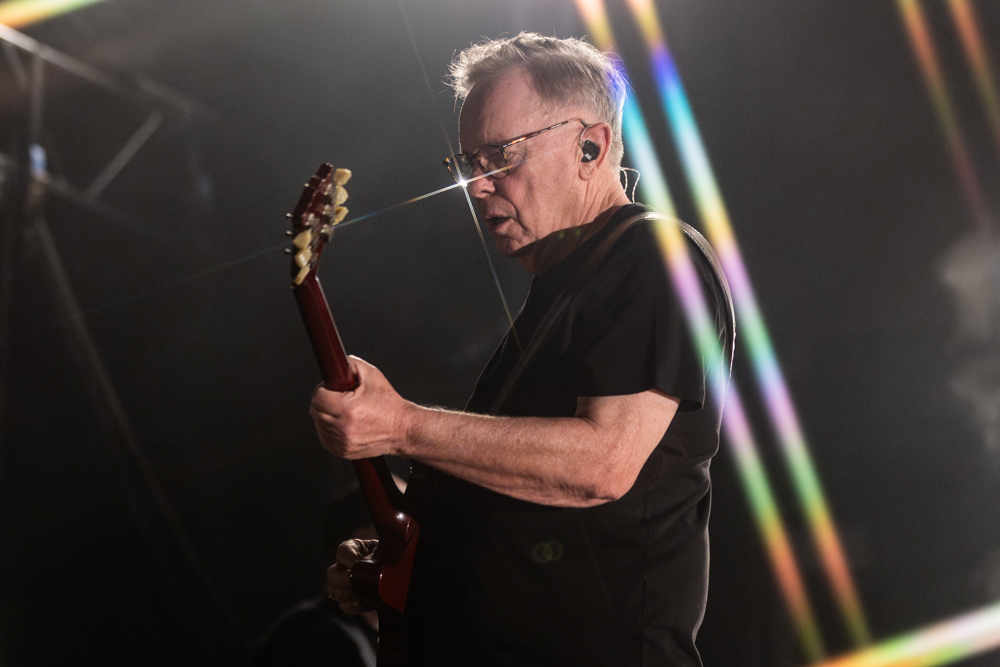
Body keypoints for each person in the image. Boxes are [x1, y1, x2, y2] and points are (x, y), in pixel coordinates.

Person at [311, 32, 733, 666]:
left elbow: (602, 465)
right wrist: (411, 571)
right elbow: (528, 511)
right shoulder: (563, 287)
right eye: (467, 164)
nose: (476, 187)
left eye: (500, 157)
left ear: (592, 147)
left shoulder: (651, 259)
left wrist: (401, 425)